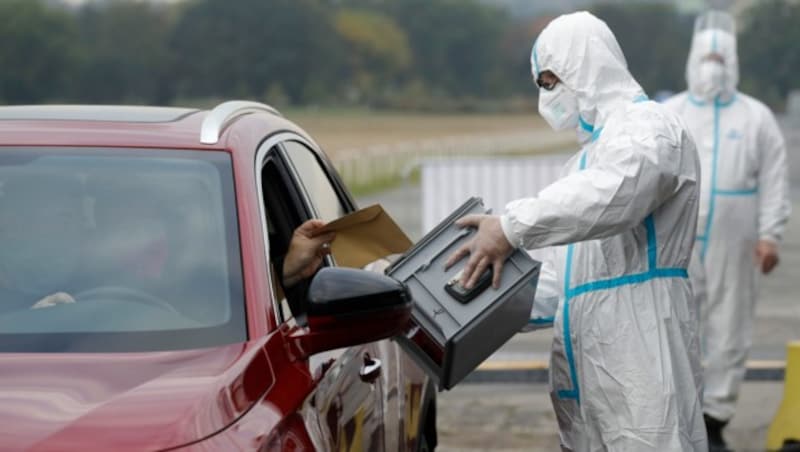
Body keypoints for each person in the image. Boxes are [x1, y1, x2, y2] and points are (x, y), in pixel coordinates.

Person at [446, 11, 707, 450]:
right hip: (590, 363)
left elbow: (618, 194)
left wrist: (510, 227)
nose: (545, 97)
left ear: (582, 68)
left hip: (642, 348)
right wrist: (475, 300)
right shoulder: (585, 161)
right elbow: (564, 281)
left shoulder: (650, 127)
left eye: (550, 82)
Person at [664, 10, 791, 450]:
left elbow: (775, 180)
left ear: (733, 61)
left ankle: (714, 417)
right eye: (706, 57)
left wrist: (770, 234)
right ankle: (678, 415)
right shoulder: (669, 114)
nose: (712, 65)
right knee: (677, 322)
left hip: (735, 239)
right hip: (675, 240)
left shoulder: (755, 117)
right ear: (692, 58)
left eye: (720, 57)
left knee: (730, 323)